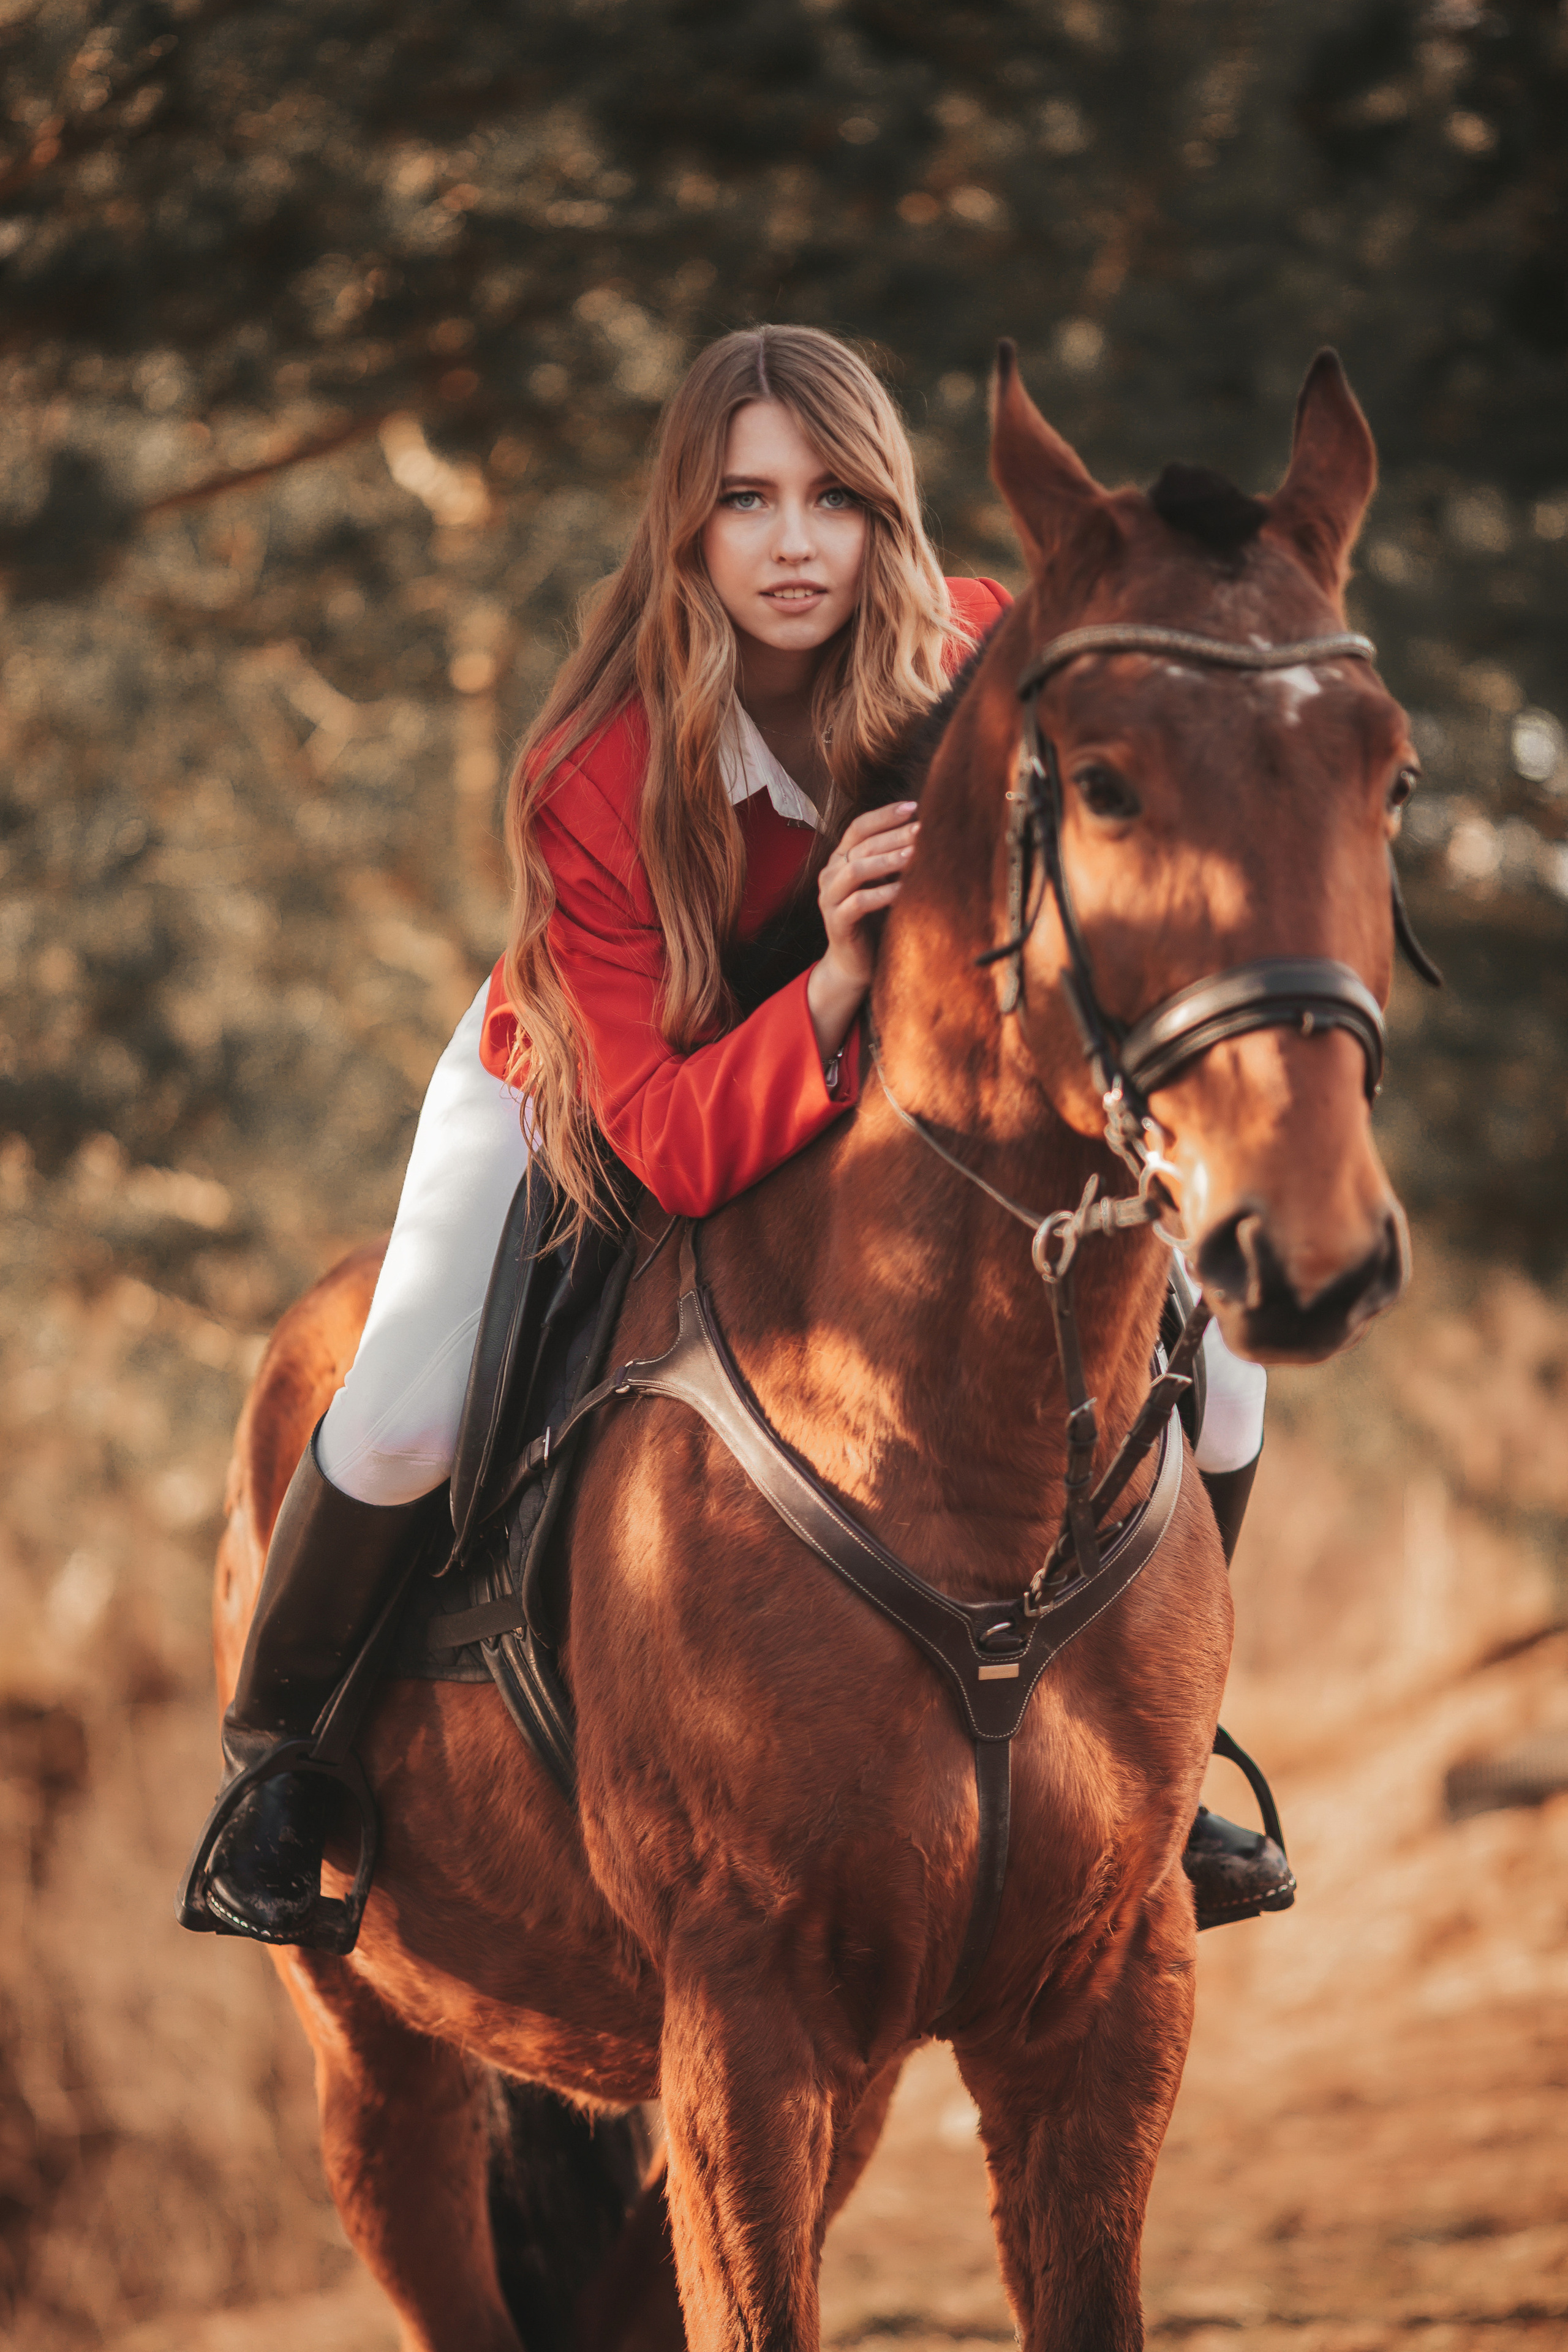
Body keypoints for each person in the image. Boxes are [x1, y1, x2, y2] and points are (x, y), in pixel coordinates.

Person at [181, 325, 1278, 1951]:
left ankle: (1167, 1751)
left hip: (892, 1083)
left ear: (886, 515)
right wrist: (830, 977)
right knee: (402, 1404)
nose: (793, 544)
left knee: (1230, 1367)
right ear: (687, 522)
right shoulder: (594, 768)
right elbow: (669, 1150)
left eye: (834, 500)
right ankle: (281, 1770)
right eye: (747, 500)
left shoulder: (982, 652)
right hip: (587, 1078)